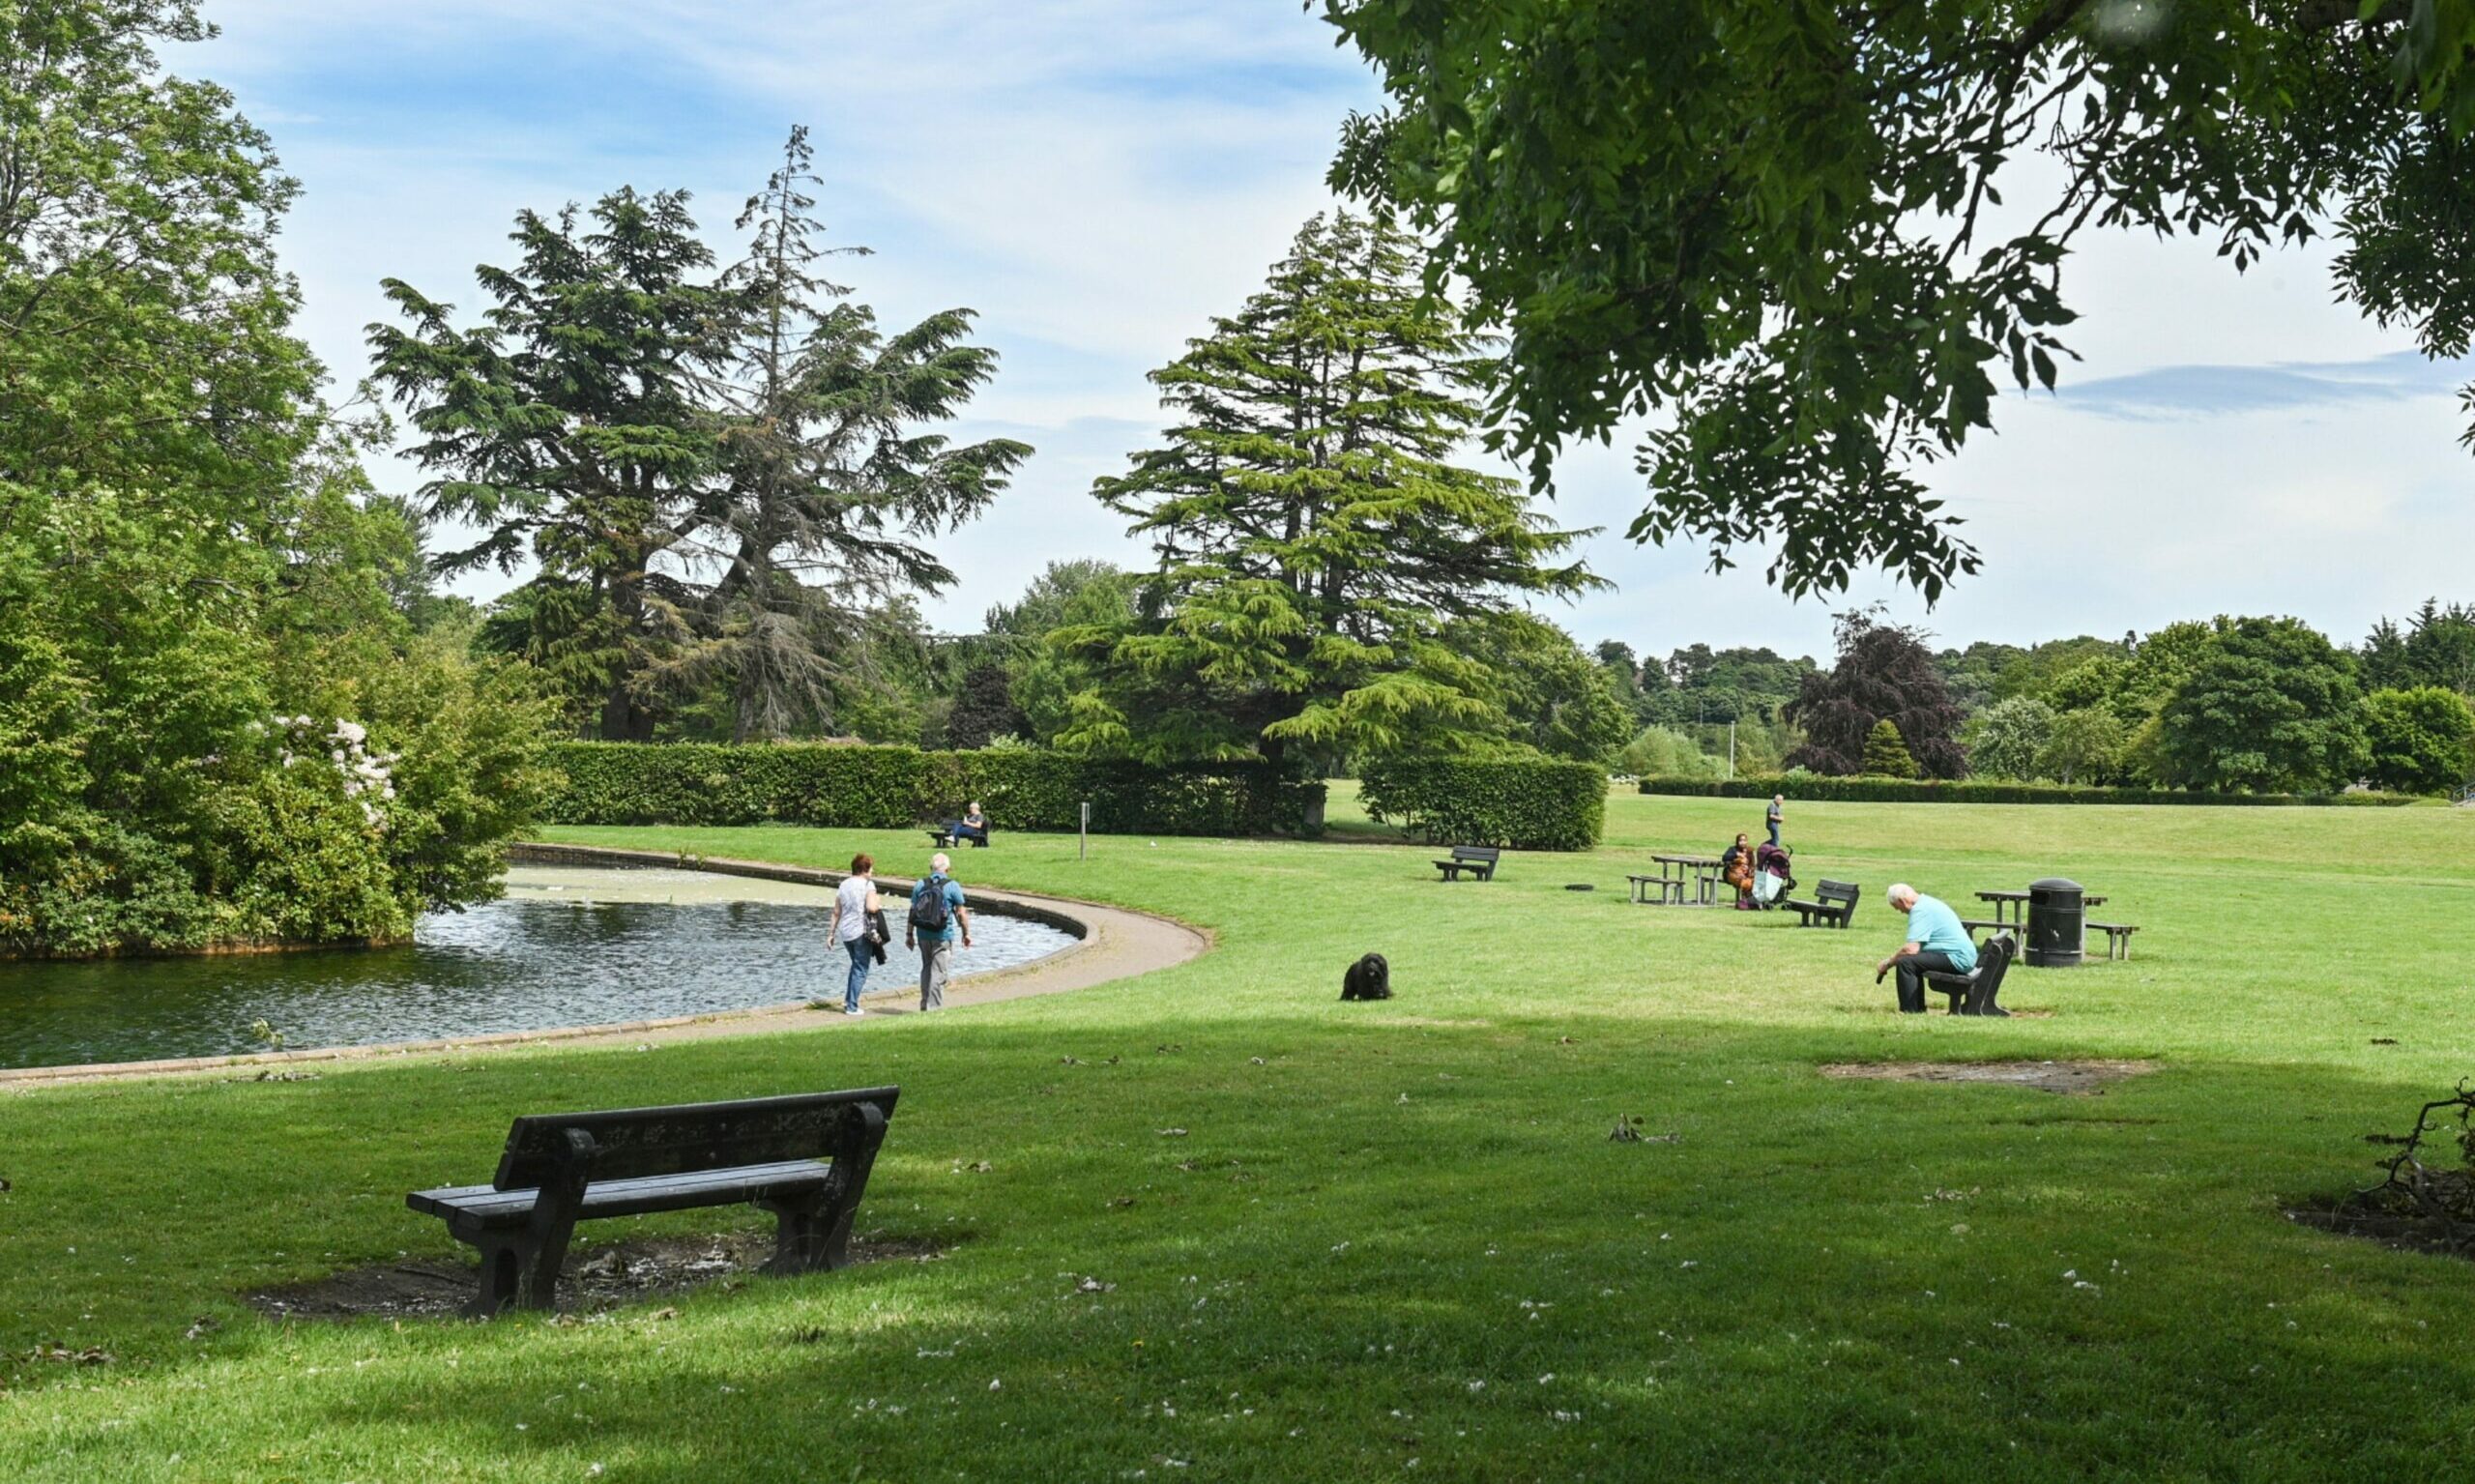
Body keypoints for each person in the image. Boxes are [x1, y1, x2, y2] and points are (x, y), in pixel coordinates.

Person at [1877, 883, 1979, 1013]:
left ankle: (1911, 1011)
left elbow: (1911, 949)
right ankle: (1917, 1009)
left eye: (1897, 908)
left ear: (1902, 901)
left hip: (1958, 958)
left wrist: (1888, 963)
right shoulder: (1927, 902)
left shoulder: (1920, 910)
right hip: (1964, 955)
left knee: (1906, 963)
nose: (1901, 912)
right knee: (1912, 961)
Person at [905, 851, 974, 1011]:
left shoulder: (920, 884)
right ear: (947, 869)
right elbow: (961, 913)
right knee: (939, 972)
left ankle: (924, 1004)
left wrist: (909, 934)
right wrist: (966, 933)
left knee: (927, 969)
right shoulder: (952, 885)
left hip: (922, 934)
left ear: (931, 867)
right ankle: (933, 1009)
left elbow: (913, 911)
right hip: (943, 935)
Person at [826, 854, 882, 1017]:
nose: (873, 871)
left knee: (855, 965)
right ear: (864, 869)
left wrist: (831, 934)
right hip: (861, 931)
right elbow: (872, 908)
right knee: (861, 968)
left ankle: (848, 999)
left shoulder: (844, 885)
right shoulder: (868, 885)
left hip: (846, 932)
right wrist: (877, 900)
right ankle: (852, 1006)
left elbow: (836, 912)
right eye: (871, 868)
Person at [1721, 831, 1758, 910]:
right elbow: (1724, 858)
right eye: (1740, 840)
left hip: (1745, 875)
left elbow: (1752, 865)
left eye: (1744, 840)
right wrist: (1736, 855)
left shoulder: (1749, 851)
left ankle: (1749, 902)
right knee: (1746, 882)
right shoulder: (1733, 849)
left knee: (1753, 882)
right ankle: (1745, 902)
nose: (1742, 842)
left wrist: (1749, 869)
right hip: (1732, 873)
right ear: (1737, 841)